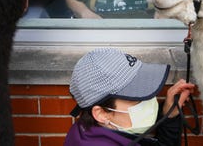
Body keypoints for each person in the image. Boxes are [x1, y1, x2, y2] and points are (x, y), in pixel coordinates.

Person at [64, 47, 195, 146]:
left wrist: (169, 115)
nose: (148, 100)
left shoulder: (87, 132)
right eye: (135, 97)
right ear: (101, 113)